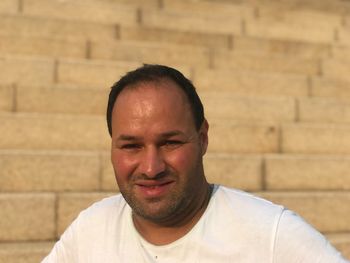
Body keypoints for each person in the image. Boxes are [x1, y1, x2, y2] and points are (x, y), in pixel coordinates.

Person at [42, 64, 349, 262]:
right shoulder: (90, 231)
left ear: (202, 138)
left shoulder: (272, 235)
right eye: (131, 146)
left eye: (170, 143)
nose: (151, 167)